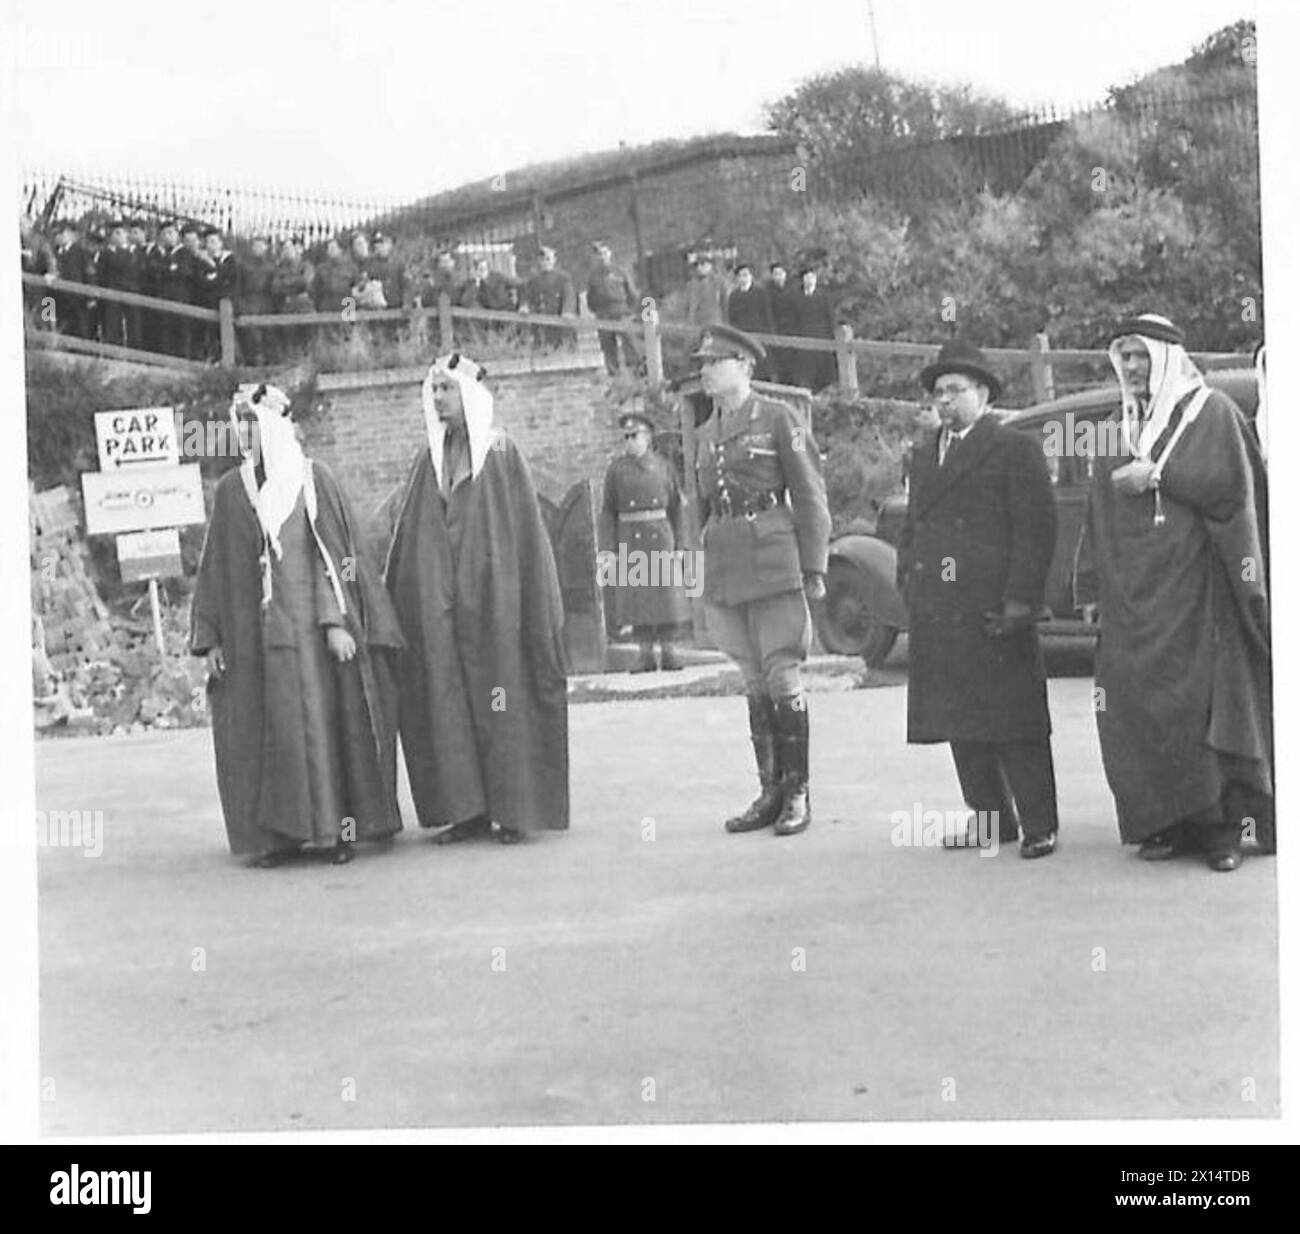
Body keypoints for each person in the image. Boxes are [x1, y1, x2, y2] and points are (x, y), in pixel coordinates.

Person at [1079, 314, 1272, 871]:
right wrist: (1091, 581)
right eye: (1125, 358)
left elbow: (1235, 494)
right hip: (1134, 597)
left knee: (1208, 704)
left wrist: (1161, 476)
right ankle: (1168, 822)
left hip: (1200, 592)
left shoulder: (1213, 413)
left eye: (1142, 356)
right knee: (1141, 706)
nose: (1133, 368)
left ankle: (1223, 832)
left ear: (1165, 358)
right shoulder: (1116, 425)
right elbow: (1097, 510)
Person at [190, 382, 406, 867]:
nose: (241, 433)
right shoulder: (232, 490)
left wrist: (336, 622)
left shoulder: (314, 480)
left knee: (322, 728)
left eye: (249, 423)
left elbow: (332, 557)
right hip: (255, 639)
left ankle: (334, 832)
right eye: (236, 425)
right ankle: (278, 839)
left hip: (312, 636)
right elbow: (216, 568)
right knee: (269, 734)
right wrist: (210, 638)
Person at [384, 352, 570, 845]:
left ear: (468, 395)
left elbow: (527, 538)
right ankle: (464, 810)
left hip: (495, 606)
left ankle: (513, 809)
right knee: (449, 703)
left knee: (500, 698)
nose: (438, 399)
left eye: (446, 390)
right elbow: (414, 535)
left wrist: (531, 602)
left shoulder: (502, 455)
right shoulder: (430, 458)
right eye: (435, 391)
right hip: (444, 610)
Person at [897, 340, 1060, 858]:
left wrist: (1019, 602)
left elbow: (1037, 530)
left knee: (1015, 723)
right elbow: (914, 524)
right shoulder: (925, 455)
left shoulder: (1014, 448)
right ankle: (992, 821)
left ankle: (1039, 824)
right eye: (938, 393)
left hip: (993, 610)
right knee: (961, 722)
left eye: (956, 390)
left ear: (983, 393)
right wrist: (908, 576)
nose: (944, 401)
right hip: (940, 609)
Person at [693, 324, 830, 836]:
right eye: (702, 364)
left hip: (773, 560)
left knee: (782, 674)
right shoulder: (706, 433)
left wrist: (814, 565)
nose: (705, 370)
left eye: (715, 362)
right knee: (752, 680)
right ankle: (769, 791)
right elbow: (701, 506)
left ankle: (798, 791)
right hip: (727, 565)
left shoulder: (778, 418)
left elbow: (810, 494)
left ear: (744, 366)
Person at [600, 407, 692, 672]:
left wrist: (681, 545)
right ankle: (644, 654)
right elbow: (608, 511)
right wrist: (609, 549)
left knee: (667, 598)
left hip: (660, 537)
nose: (629, 442)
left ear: (648, 437)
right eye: (625, 437)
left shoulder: (664, 467)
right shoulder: (616, 470)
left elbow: (677, 507)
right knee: (637, 599)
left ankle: (670, 651)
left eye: (634, 436)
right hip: (630, 539)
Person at [587, 240, 640, 376]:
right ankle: (614, 374)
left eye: (604, 253)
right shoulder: (593, 276)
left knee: (629, 342)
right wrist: (598, 311)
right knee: (607, 345)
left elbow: (632, 293)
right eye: (598, 255)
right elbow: (590, 299)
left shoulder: (620, 272)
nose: (602, 257)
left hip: (621, 311)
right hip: (603, 314)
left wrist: (630, 311)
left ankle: (636, 371)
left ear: (610, 254)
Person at [96, 221, 141, 348]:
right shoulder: (105, 254)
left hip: (131, 292)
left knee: (133, 326)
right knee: (112, 325)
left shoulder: (134, 253)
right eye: (114, 233)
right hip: (112, 293)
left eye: (120, 233)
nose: (118, 236)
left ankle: (135, 353)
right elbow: (101, 274)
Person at [521, 245, 576, 349]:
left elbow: (569, 297)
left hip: (559, 321)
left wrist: (567, 311)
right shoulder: (533, 280)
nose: (545, 262)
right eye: (542, 260)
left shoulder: (563, 278)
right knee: (542, 349)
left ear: (554, 260)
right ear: (538, 261)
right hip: (541, 322)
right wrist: (524, 306)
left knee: (563, 349)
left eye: (548, 259)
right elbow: (526, 296)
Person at [791, 267, 836, 392]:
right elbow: (793, 319)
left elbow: (830, 319)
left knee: (822, 371)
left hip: (821, 338)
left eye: (812, 277)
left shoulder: (823, 297)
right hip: (803, 338)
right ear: (803, 279)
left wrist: (831, 339)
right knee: (804, 373)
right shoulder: (796, 297)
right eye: (807, 277)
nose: (810, 280)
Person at [725, 263, 774, 378]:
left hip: (759, 333)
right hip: (742, 334)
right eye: (741, 276)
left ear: (751, 276)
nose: (743, 278)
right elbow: (732, 318)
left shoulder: (760, 292)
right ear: (737, 278)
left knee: (760, 361)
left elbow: (767, 314)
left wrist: (769, 332)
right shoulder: (734, 295)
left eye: (746, 275)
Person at [271, 236, 316, 355]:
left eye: (289, 248)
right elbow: (275, 287)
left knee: (307, 341)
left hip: (305, 307)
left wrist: (286, 283)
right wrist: (295, 282)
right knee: (290, 343)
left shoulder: (306, 265)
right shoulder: (279, 269)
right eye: (285, 249)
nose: (287, 251)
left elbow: (306, 282)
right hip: (287, 308)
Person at [52, 219, 96, 338]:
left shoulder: (81, 253)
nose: (59, 236)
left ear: (70, 234)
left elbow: (89, 274)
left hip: (77, 299)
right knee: (63, 329)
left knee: (80, 330)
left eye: (62, 233)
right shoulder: (54, 253)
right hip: (59, 298)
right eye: (57, 233)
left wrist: (91, 296)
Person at [236, 234, 276, 365]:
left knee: (267, 335)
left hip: (266, 302)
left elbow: (274, 287)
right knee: (250, 335)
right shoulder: (243, 265)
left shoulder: (271, 267)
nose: (258, 249)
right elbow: (238, 285)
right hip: (249, 301)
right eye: (255, 246)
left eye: (261, 246)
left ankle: (269, 362)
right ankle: (251, 362)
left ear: (266, 248)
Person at [765, 262, 800, 385]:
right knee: (779, 361)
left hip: (792, 328)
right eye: (775, 274)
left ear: (785, 274)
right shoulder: (768, 291)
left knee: (793, 359)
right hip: (777, 329)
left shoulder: (793, 289)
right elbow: (768, 311)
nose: (778, 276)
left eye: (780, 273)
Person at [684, 254, 727, 327]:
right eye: (697, 265)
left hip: (716, 323)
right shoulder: (691, 284)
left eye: (703, 264)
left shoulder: (720, 282)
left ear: (711, 265)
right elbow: (688, 307)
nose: (699, 268)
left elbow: (725, 304)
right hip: (697, 324)